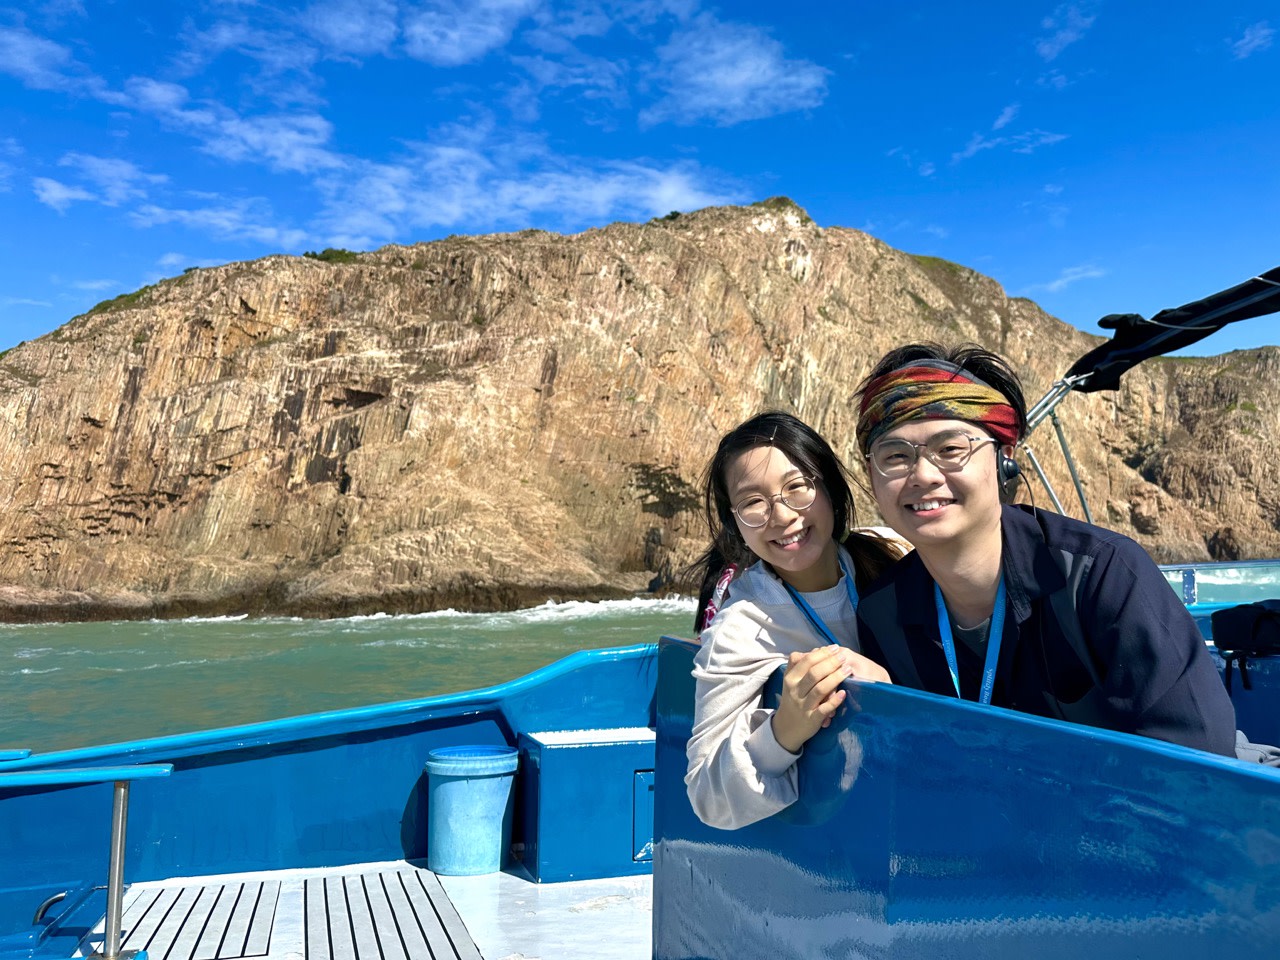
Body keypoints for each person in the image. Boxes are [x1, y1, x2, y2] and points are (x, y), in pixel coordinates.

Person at [852, 342, 1237, 756]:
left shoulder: (1101, 578)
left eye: (950, 449)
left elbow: (1198, 759)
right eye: (895, 456)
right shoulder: (883, 613)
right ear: (872, 474)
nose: (923, 475)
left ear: (1004, 459)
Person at [684, 412, 901, 829]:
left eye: (797, 486)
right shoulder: (740, 629)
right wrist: (784, 730)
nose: (782, 516)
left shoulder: (895, 555)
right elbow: (707, 796)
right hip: (848, 832)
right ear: (736, 524)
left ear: (829, 487)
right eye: (753, 502)